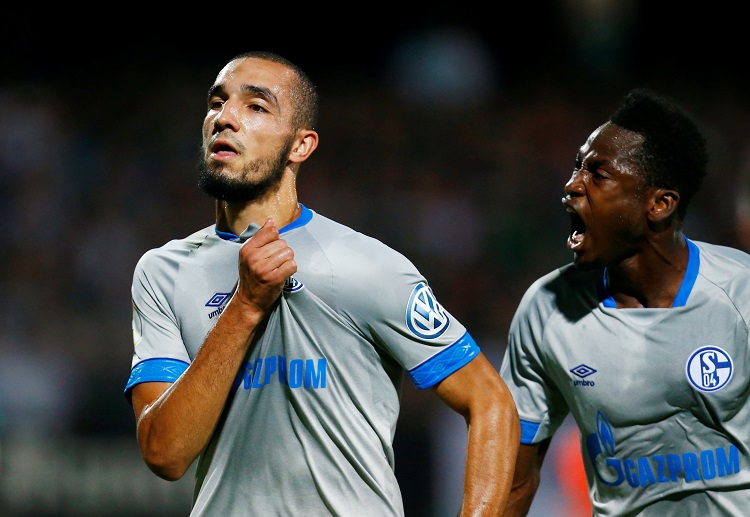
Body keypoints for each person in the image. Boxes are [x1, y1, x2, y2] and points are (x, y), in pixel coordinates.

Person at [123, 50, 519, 516]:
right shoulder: (163, 271)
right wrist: (245, 306)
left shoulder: (368, 265)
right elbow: (166, 454)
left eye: (255, 106)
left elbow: (491, 402)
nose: (225, 118)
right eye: (217, 103)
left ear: (301, 145)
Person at [499, 88, 750, 516]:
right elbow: (516, 477)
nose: (572, 185)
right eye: (578, 167)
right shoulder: (547, 308)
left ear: (658, 204)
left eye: (598, 174)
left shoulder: (740, 293)